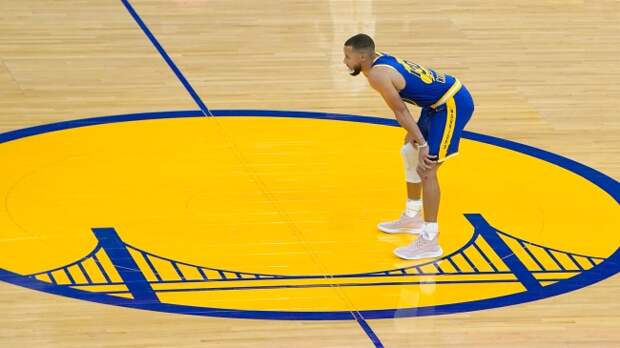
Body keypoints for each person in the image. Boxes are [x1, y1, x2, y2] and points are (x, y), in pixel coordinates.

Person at [343, 33, 474, 260]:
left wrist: (423, 143)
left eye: (348, 56)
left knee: (427, 168)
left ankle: (430, 239)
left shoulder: (377, 75)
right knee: (409, 151)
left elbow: (400, 111)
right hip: (435, 104)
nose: (345, 61)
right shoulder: (377, 61)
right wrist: (414, 137)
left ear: (363, 57)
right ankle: (412, 215)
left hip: (452, 103)